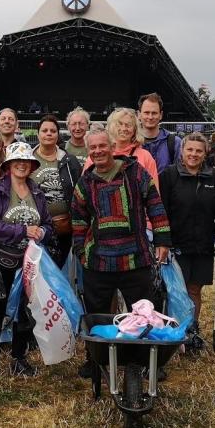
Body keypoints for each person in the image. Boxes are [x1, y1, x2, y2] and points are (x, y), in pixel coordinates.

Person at [72, 125, 170, 376]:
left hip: (136, 258)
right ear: (89, 152)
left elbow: (156, 205)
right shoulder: (85, 183)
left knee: (144, 312)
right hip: (99, 262)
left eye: (102, 145)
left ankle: (147, 363)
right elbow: (79, 221)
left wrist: (162, 240)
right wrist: (81, 252)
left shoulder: (135, 172)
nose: (98, 151)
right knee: (98, 315)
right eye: (93, 147)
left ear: (112, 146)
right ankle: (96, 362)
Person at [0, 141, 54, 381]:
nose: (22, 165)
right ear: (9, 165)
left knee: (25, 311)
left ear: (32, 165)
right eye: (17, 161)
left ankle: (18, 358)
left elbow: (47, 223)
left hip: (29, 263)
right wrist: (24, 231)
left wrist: (43, 232)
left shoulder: (37, 192)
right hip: (0, 260)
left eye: (26, 162)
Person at [159, 132, 215, 354]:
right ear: (182, 151)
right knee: (172, 290)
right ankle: (172, 332)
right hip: (175, 244)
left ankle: (191, 331)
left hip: (202, 245)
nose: (193, 154)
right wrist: (163, 241)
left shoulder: (214, 178)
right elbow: (160, 210)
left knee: (194, 289)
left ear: (205, 152)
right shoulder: (169, 176)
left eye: (198, 150)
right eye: (190, 149)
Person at [32, 114, 82, 265]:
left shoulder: (69, 160)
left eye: (53, 131)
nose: (48, 133)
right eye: (44, 130)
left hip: (64, 228)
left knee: (60, 271)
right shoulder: (27, 159)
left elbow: (79, 190)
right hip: (36, 227)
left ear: (58, 135)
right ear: (38, 133)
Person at [84, 108, 159, 187]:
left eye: (128, 125)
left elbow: (154, 194)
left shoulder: (145, 157)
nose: (123, 129)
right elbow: (83, 190)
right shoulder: (97, 155)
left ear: (135, 130)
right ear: (111, 127)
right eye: (119, 124)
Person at [138, 92, 181, 174]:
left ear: (161, 115)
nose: (150, 117)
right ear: (139, 114)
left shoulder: (175, 143)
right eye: (146, 113)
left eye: (154, 113)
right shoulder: (130, 143)